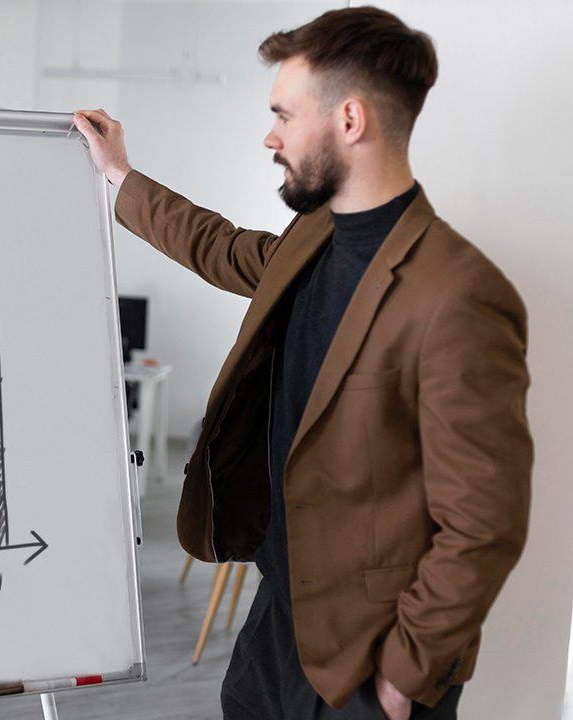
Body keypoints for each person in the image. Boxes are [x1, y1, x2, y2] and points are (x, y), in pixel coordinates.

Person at [75, 6, 531, 720]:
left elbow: (484, 522)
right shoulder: (313, 236)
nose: (271, 135)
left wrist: (406, 672)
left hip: (370, 661)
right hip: (278, 621)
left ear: (350, 121)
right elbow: (219, 245)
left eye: (284, 114)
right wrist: (120, 177)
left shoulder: (461, 295)